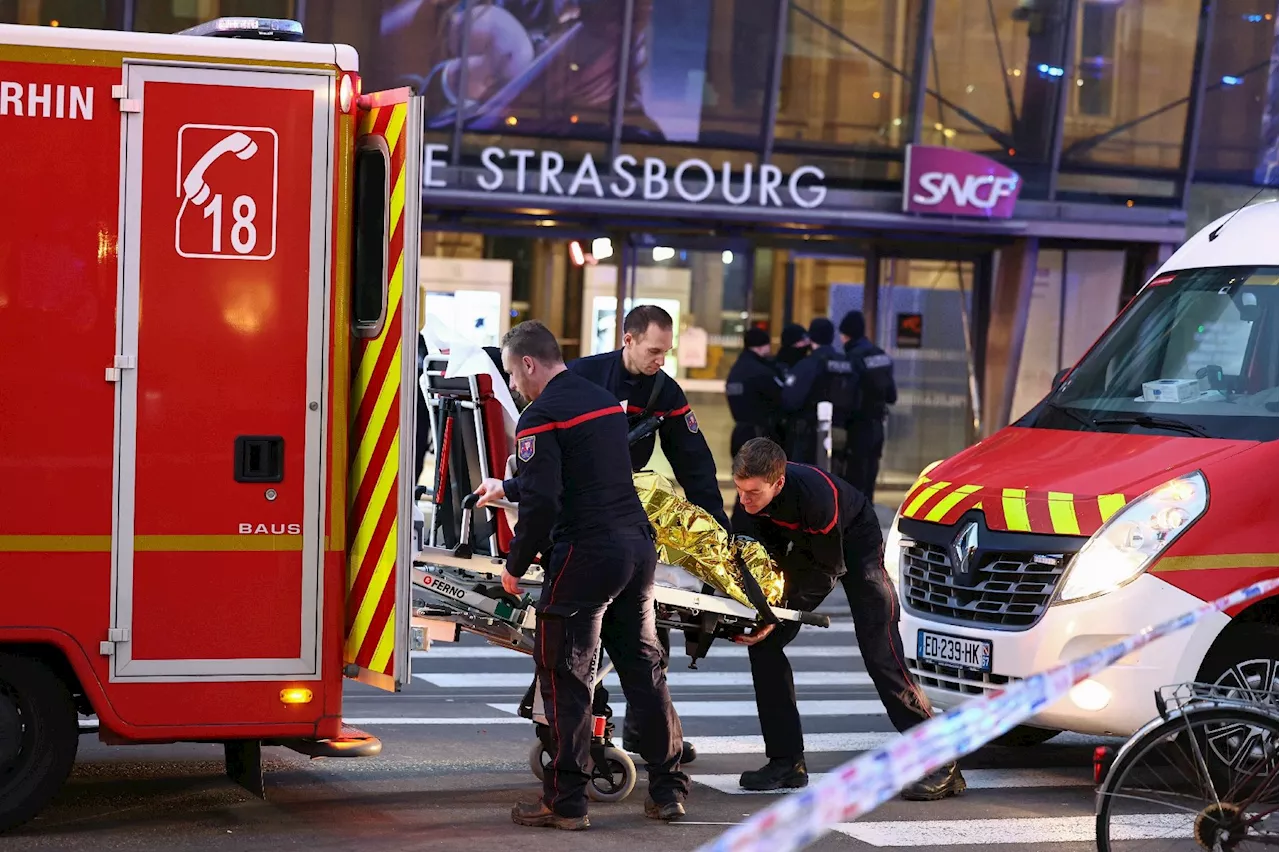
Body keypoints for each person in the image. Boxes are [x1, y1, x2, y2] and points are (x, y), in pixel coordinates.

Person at [474, 320, 689, 830]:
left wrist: (515, 562)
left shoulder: (540, 415)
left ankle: (566, 801)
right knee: (643, 669)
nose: (514, 386)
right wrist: (507, 484)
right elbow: (581, 474)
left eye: (512, 374)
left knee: (568, 674)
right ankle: (667, 790)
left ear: (528, 363)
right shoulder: (600, 401)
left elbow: (547, 499)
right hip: (635, 550)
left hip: (586, 556)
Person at [729, 437, 965, 800]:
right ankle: (786, 762)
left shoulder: (816, 497)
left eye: (753, 493)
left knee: (880, 653)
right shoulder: (750, 498)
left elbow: (826, 570)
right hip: (799, 546)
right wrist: (755, 608)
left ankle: (941, 762)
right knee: (765, 646)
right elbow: (748, 557)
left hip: (853, 541)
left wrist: (778, 612)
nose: (745, 500)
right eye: (740, 490)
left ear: (777, 483)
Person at [570, 304, 728, 756]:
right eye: (654, 350)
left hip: (626, 515)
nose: (661, 359)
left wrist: (718, 531)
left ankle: (647, 732)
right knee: (590, 634)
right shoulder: (585, 377)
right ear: (629, 339)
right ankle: (592, 728)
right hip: (582, 515)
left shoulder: (664, 391)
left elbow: (695, 465)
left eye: (667, 352)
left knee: (652, 632)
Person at [725, 326, 785, 531]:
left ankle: (739, 530)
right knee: (757, 487)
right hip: (758, 435)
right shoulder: (761, 372)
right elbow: (784, 399)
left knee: (745, 485)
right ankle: (747, 531)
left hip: (740, 432)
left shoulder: (737, 370)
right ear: (762, 346)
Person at [779, 317, 858, 472]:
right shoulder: (847, 363)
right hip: (840, 433)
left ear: (811, 338)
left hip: (810, 436)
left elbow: (790, 400)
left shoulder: (808, 364)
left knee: (807, 482)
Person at [839, 310, 897, 503]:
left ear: (846, 335)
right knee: (870, 478)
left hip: (857, 427)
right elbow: (892, 396)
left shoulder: (852, 358)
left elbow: (847, 397)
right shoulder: (881, 356)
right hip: (877, 427)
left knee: (854, 479)